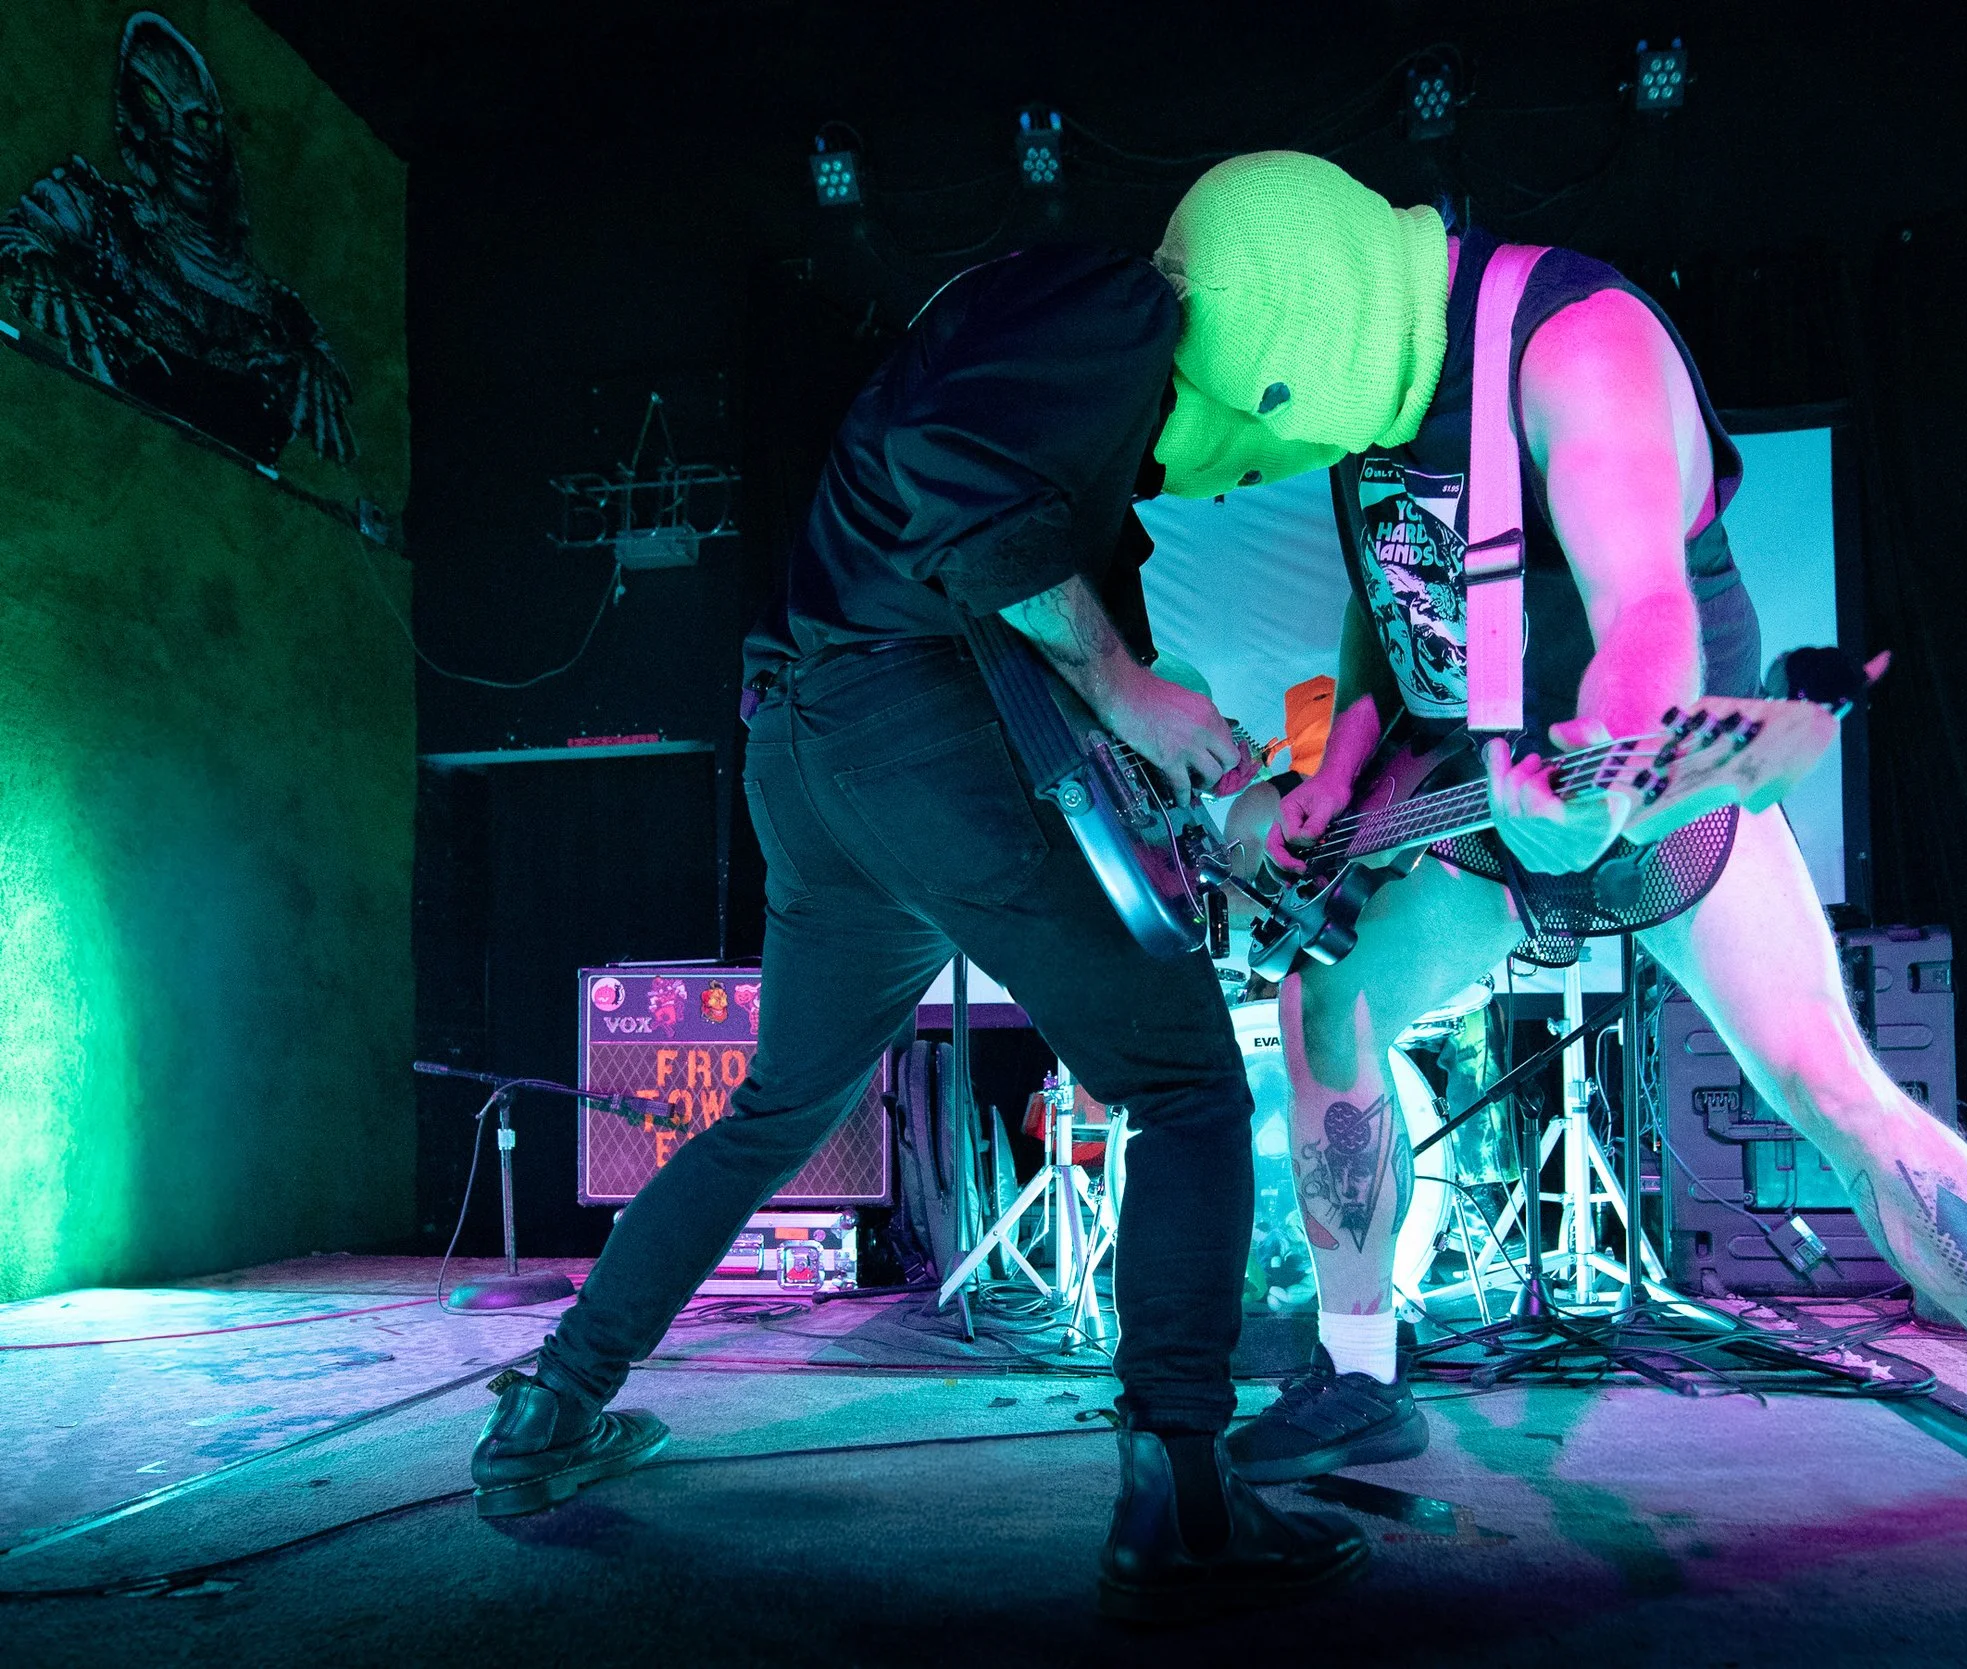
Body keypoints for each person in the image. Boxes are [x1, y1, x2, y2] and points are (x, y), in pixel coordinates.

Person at [1147, 153, 1967, 1549]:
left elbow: (1647, 612)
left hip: (1655, 794)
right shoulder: (1371, 404)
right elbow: (1391, 596)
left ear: (1317, 334)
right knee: (1324, 1003)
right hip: (1479, 802)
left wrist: (1603, 770)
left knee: (1832, 1087)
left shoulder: (1581, 340)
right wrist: (1343, 766)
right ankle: (1359, 1369)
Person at [466, 243, 1368, 1620]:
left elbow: (1077, 676)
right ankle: (1185, 1494)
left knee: (774, 1112)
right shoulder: (1118, 307)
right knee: (1186, 1087)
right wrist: (1132, 695)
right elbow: (1019, 571)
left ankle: (552, 1408)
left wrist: (1204, 772)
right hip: (908, 738)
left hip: (812, 747)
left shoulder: (1019, 439)